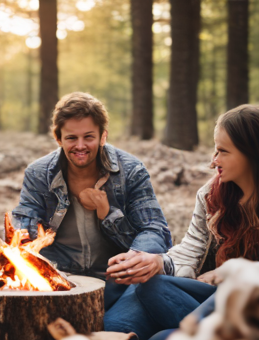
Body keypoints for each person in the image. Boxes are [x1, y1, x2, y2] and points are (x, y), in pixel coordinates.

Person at [105, 104, 259, 340]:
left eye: (222, 151)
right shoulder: (212, 194)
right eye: (215, 150)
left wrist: (224, 274)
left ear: (253, 152)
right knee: (123, 319)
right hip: (207, 297)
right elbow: (192, 248)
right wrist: (156, 262)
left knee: (159, 339)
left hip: (255, 312)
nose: (213, 161)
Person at [12, 92, 172, 323]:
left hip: (117, 282)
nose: (80, 146)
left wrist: (116, 224)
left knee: (115, 329)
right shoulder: (38, 173)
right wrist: (23, 240)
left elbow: (154, 228)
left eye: (88, 137)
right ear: (58, 138)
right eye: (71, 138)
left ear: (102, 136)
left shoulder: (131, 170)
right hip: (59, 281)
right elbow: (23, 224)